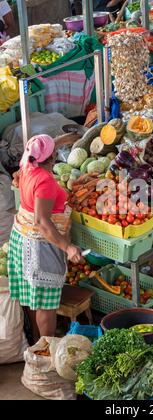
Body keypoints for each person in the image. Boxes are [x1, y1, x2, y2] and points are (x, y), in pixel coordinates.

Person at [8, 135, 82, 343]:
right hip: (40, 247)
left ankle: (36, 341)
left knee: (33, 299)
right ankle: (46, 349)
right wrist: (68, 247)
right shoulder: (45, 181)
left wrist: (67, 138)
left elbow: (43, 148)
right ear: (52, 158)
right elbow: (42, 221)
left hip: (21, 238)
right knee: (46, 306)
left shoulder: (27, 164)